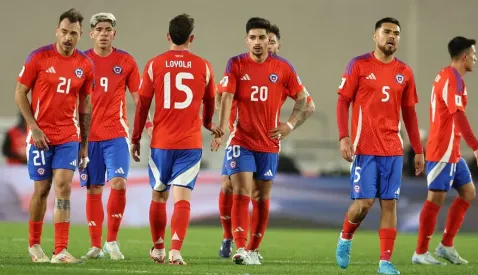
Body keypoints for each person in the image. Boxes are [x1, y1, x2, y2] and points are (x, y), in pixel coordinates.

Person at [216, 23, 315, 261]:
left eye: (267, 39)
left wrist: (289, 125)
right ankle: (235, 242)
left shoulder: (283, 69)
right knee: (235, 188)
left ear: (276, 44)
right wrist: (224, 122)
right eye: (257, 38)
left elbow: (307, 103)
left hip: (268, 143)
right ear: (247, 40)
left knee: (260, 196)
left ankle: (252, 249)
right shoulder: (237, 64)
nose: (263, 43)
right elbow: (222, 93)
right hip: (240, 138)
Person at [335, 17, 424, 275]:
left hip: (393, 149)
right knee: (363, 204)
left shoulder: (404, 71)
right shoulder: (359, 65)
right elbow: (343, 102)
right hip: (364, 148)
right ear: (375, 36)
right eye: (386, 32)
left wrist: (417, 149)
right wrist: (344, 136)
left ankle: (385, 262)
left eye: (396, 33)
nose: (392, 36)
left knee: (390, 204)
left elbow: (409, 113)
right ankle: (346, 237)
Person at [131, 13, 222, 265]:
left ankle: (158, 249)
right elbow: (210, 101)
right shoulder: (203, 66)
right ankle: (175, 251)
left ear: (168, 36)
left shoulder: (154, 64)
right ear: (191, 38)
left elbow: (142, 106)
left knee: (159, 195)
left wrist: (136, 137)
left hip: (162, 142)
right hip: (190, 143)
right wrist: (207, 124)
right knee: (182, 199)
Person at [14, 8, 94, 263]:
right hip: (40, 137)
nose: (68, 37)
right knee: (42, 189)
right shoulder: (38, 57)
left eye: (73, 33)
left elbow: (86, 105)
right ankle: (35, 245)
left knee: (63, 188)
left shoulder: (85, 65)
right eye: (64, 32)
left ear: (80, 35)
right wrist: (33, 127)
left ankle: (60, 250)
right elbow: (19, 94)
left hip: (68, 136)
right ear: (57, 32)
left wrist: (83, 144)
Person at [80, 12, 152, 261]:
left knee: (119, 182)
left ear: (114, 34)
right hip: (88, 137)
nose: (103, 33)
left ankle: (111, 241)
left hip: (116, 133)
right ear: (91, 34)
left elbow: (137, 98)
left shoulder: (126, 61)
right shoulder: (81, 60)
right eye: (98, 29)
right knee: (93, 189)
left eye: (107, 29)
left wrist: (147, 125)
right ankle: (95, 246)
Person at [412, 36, 478, 265]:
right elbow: (458, 115)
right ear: (464, 56)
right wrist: (476, 148)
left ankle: (446, 245)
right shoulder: (452, 79)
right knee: (435, 199)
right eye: (473, 54)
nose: (476, 58)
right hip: (441, 150)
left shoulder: (448, 76)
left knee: (468, 193)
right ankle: (420, 252)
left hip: (452, 151)